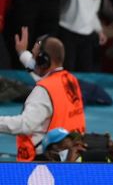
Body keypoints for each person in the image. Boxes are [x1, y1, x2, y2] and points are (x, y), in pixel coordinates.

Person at [1, 31, 85, 162]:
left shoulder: (42, 91)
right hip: (72, 152)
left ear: (43, 61)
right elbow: (41, 74)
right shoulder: (69, 79)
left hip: (46, 158)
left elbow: (25, 125)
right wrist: (22, 53)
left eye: (34, 57)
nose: (33, 61)